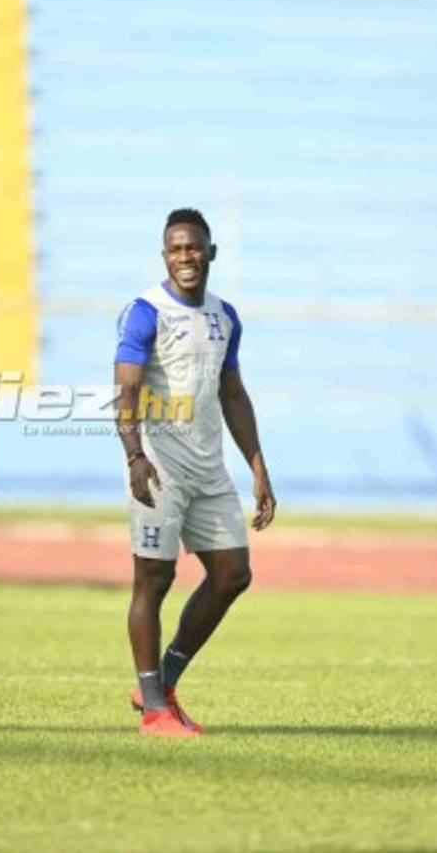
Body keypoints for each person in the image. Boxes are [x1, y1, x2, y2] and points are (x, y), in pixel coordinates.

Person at [114, 208, 276, 737]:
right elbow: (128, 392)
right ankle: (156, 711)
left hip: (209, 470)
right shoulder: (145, 312)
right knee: (153, 580)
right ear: (165, 255)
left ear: (211, 252)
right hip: (159, 466)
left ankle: (159, 684)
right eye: (175, 250)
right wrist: (135, 456)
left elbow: (232, 393)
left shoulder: (225, 316)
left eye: (193, 248)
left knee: (233, 574)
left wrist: (258, 467)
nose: (185, 258)